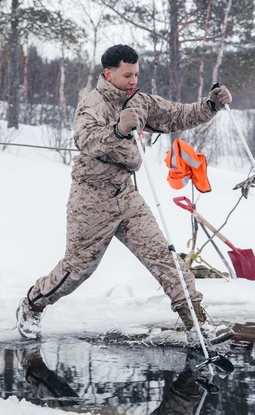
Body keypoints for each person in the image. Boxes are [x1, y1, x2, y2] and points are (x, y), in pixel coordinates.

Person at [17, 44, 232, 347]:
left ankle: (198, 322)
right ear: (108, 73)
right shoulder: (93, 103)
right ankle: (31, 305)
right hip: (92, 199)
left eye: (136, 74)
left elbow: (177, 116)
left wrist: (211, 105)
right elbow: (85, 140)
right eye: (127, 74)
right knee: (77, 270)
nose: (133, 80)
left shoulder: (140, 101)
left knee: (164, 257)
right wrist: (117, 130)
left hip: (127, 196)